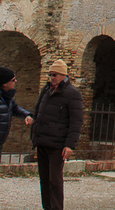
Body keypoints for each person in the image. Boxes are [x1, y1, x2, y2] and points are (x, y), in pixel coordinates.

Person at [30, 60, 83, 210]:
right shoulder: (46, 91)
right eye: (50, 74)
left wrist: (69, 144)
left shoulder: (73, 94)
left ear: (63, 75)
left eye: (55, 75)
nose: (52, 77)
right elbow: (38, 110)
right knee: (44, 180)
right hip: (42, 140)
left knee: (55, 180)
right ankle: (47, 207)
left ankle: (57, 207)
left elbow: (76, 121)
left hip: (57, 143)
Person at [0, 67, 34, 210]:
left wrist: (27, 115)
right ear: (4, 83)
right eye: (13, 79)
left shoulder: (6, 95)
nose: (15, 81)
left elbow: (15, 109)